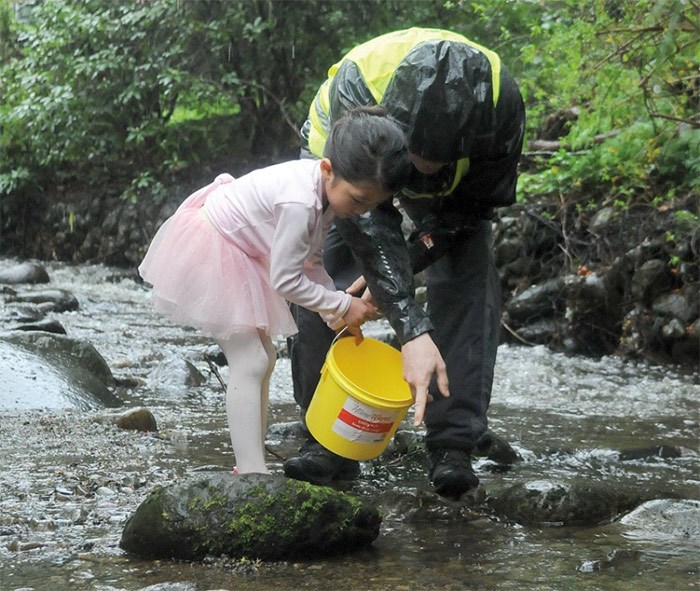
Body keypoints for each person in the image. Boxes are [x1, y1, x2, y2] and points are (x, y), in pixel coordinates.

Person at [284, 27, 526, 498]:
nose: (424, 168)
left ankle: (454, 442)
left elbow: (469, 213)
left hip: (457, 199)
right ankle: (327, 436)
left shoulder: (500, 107)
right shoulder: (361, 84)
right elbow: (368, 223)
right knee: (327, 280)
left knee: (467, 279)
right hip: (352, 174)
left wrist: (400, 275)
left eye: (435, 158)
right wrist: (411, 325)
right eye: (416, 155)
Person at [138, 106, 411, 474]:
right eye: (359, 199)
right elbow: (285, 280)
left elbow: (311, 264)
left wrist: (333, 310)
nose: (362, 211)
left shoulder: (326, 196)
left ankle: (253, 462)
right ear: (328, 169)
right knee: (250, 361)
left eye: (372, 205)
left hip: (244, 252)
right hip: (217, 247)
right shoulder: (300, 203)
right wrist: (343, 303)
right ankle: (250, 471)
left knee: (263, 358)